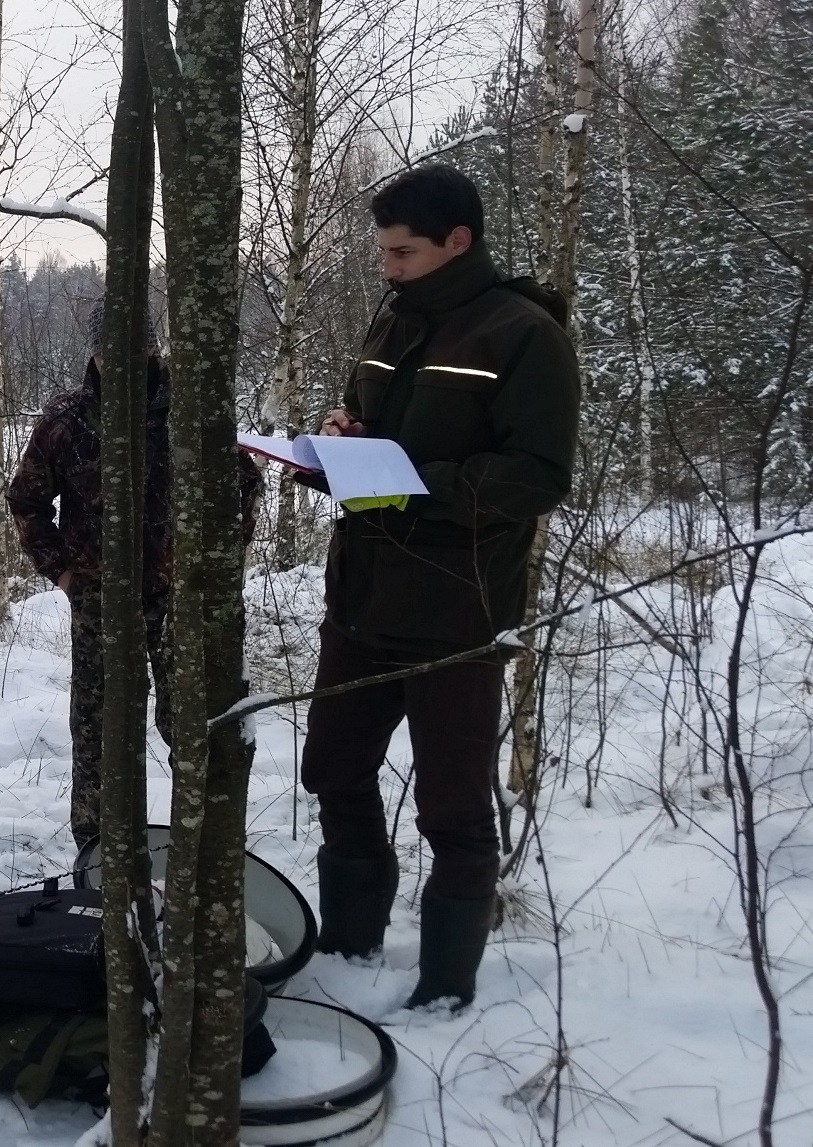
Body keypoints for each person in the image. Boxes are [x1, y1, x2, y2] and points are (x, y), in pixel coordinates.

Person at [299, 165, 579, 1011]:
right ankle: (348, 948)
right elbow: (372, 424)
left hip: (458, 608)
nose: (387, 266)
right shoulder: (392, 317)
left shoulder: (523, 334)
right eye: (383, 251)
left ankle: (445, 989)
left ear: (458, 241)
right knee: (332, 771)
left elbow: (537, 476)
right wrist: (343, 438)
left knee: (452, 809)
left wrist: (410, 481)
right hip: (361, 596)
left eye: (402, 252)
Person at [7, 306, 261, 854]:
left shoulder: (192, 409)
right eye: (107, 352)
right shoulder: (67, 420)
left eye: (134, 350)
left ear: (152, 348)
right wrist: (63, 572)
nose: (120, 363)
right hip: (100, 600)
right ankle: (98, 852)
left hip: (182, 599)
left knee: (193, 724)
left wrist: (217, 569)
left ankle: (200, 851)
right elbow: (26, 500)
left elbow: (242, 486)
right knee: (100, 731)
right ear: (95, 354)